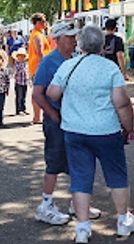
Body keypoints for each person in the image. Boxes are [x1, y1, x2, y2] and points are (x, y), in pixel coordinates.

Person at [47, 24, 134, 243]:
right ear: (102, 45)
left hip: (75, 131)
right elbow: (122, 103)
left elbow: (52, 92)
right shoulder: (110, 68)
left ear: (80, 44)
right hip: (106, 131)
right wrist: (129, 127)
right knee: (117, 175)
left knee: (80, 178)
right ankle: (123, 221)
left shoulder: (69, 66)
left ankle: (82, 227)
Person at [32, 22, 102, 226]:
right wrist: (53, 114)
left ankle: (77, 204)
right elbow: (37, 92)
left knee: (78, 162)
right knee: (54, 162)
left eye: (75, 37)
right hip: (58, 121)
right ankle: (45, 205)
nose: (74, 40)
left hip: (75, 121)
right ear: (58, 39)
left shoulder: (76, 59)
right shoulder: (49, 62)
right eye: (69, 37)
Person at [28, 13, 51, 124]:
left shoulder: (36, 34)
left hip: (35, 66)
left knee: (37, 91)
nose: (44, 24)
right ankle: (37, 116)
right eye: (43, 22)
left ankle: (37, 116)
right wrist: (44, 66)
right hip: (38, 66)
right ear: (37, 23)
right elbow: (40, 52)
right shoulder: (37, 35)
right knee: (39, 92)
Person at [13, 48, 29, 115]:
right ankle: (19, 109)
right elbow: (15, 72)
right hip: (18, 82)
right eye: (20, 56)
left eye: (23, 56)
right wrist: (21, 70)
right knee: (19, 96)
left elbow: (27, 71)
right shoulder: (16, 64)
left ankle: (23, 108)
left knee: (24, 96)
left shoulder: (26, 63)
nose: (21, 57)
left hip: (24, 82)